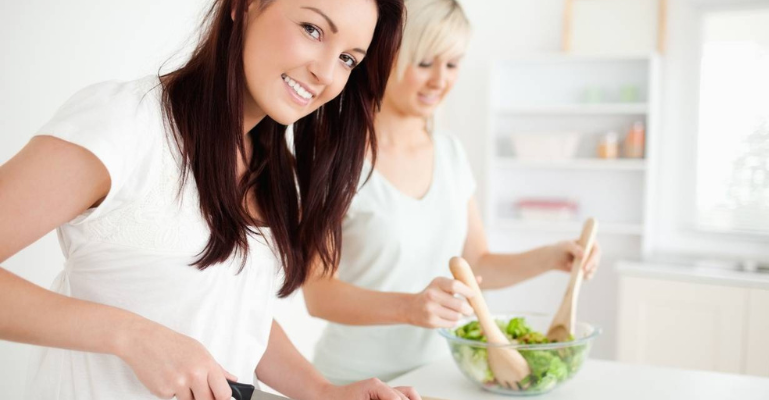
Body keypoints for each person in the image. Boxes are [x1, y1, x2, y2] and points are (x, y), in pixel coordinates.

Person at [0, 0, 420, 399]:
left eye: (349, 58)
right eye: (312, 29)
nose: (326, 72)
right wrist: (130, 335)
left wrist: (323, 392)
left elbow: (230, 308)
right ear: (242, 6)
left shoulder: (273, 168)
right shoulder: (124, 124)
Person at [303, 0, 602, 384]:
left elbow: (475, 264)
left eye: (453, 64)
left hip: (440, 376)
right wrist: (410, 308)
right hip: (354, 381)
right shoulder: (334, 158)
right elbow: (318, 294)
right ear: (387, 56)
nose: (440, 80)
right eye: (425, 62)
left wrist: (551, 257)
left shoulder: (450, 152)